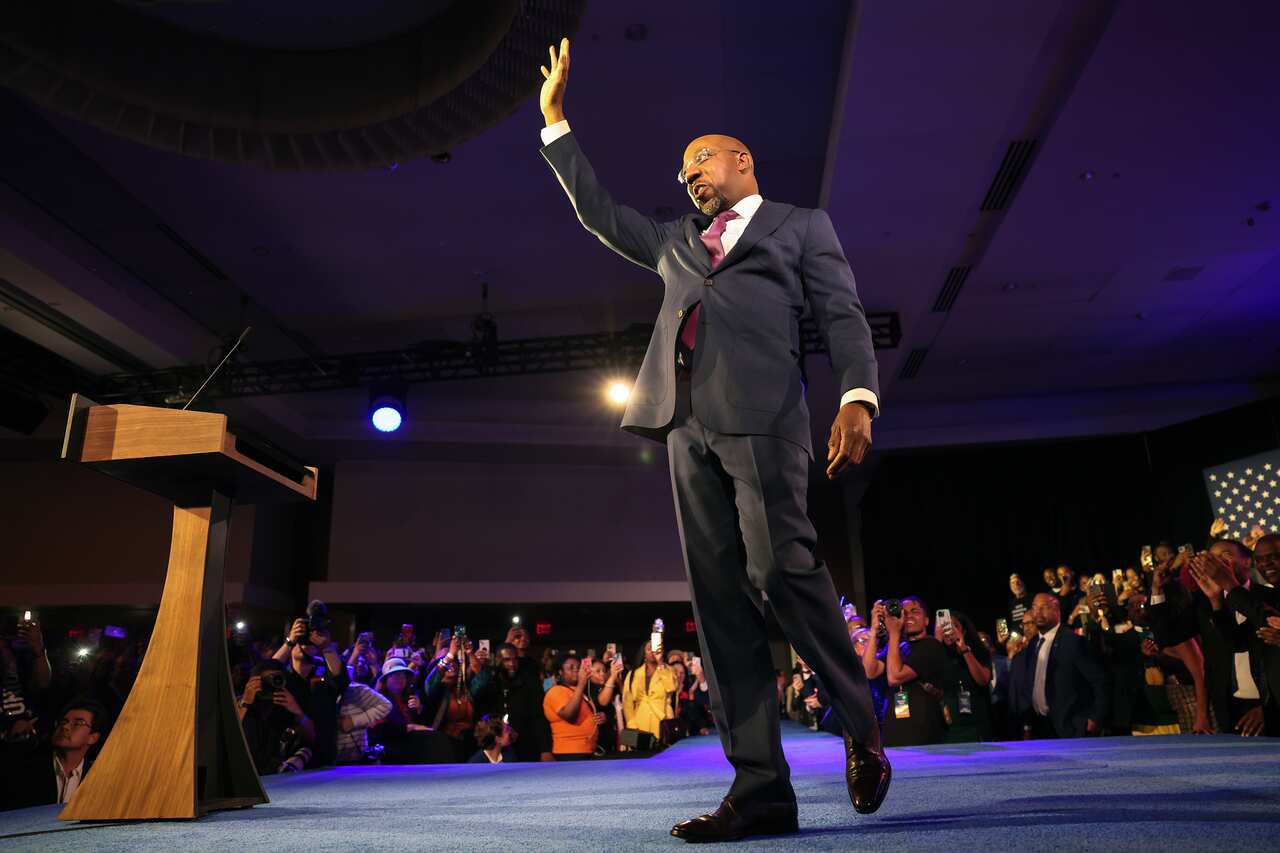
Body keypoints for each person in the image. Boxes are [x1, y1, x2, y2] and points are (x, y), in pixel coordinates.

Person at [538, 37, 888, 842]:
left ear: (741, 160)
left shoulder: (801, 227)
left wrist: (858, 397)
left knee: (778, 566)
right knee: (721, 603)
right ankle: (761, 789)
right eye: (682, 173)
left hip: (766, 418)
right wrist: (557, 124)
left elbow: (842, 316)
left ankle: (861, 718)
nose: (690, 177)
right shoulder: (672, 242)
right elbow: (599, 212)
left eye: (701, 163)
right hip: (682, 424)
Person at [1014, 593, 1108, 738]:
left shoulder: (1073, 642)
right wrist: (1027, 723)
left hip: (1071, 728)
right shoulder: (1033, 644)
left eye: (1043, 607)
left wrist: (1096, 718)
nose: (1037, 612)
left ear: (1057, 611)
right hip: (1041, 728)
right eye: (1034, 608)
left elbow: (1099, 681)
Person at [0, 697, 107, 810]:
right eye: (63, 721)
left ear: (93, 738)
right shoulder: (24, 768)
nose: (65, 727)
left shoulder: (97, 778)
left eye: (78, 723)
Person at [878, 598, 947, 746]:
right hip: (894, 728)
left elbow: (895, 677)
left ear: (927, 621)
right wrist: (873, 629)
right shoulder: (900, 647)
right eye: (904, 613)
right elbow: (869, 671)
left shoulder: (931, 645)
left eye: (915, 611)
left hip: (920, 730)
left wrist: (894, 634)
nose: (908, 616)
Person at [543, 654, 601, 759]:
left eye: (578, 667)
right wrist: (581, 684)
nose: (576, 670)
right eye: (571, 668)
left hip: (587, 750)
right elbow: (570, 716)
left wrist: (599, 717)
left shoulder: (579, 691)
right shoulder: (556, 691)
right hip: (569, 752)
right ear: (560, 672)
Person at [621, 643, 678, 743]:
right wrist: (632, 724)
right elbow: (627, 703)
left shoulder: (669, 670)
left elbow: (671, 687)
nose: (652, 651)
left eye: (656, 647)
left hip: (663, 721)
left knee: (664, 755)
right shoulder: (633, 674)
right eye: (649, 649)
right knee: (643, 756)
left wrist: (660, 663)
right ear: (643, 652)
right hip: (640, 722)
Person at [335, 679, 392, 764]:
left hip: (353, 757)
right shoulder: (316, 689)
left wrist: (354, 721)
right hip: (324, 758)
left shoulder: (356, 689)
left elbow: (386, 705)